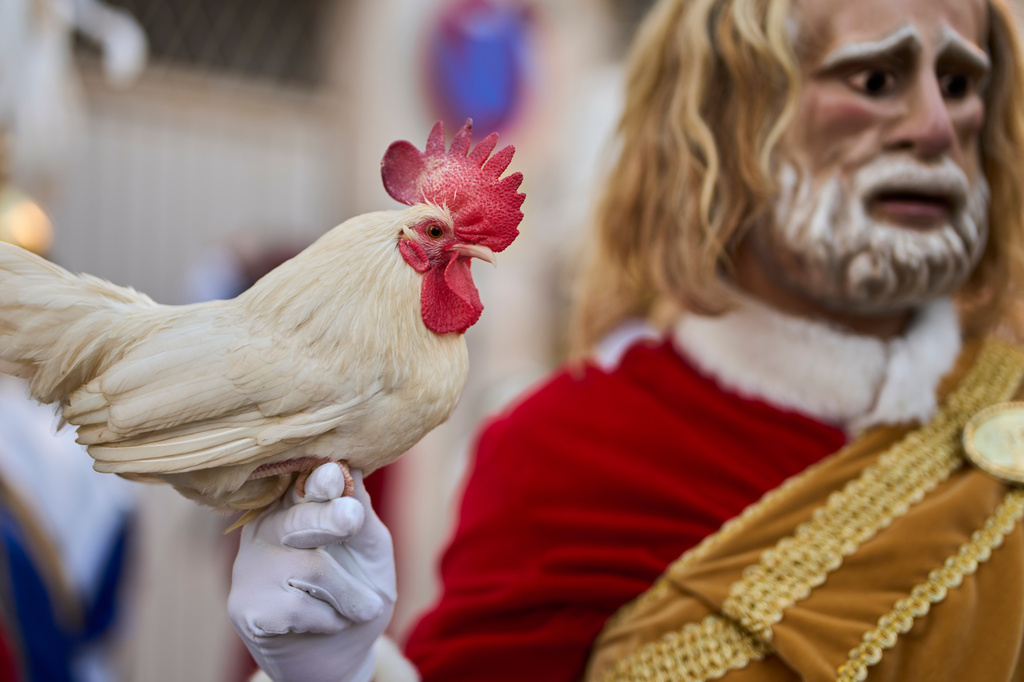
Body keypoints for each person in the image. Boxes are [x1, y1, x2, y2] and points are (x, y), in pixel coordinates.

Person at [227, 0, 1024, 679]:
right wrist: (347, 669)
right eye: (876, 80)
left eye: (959, 84)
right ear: (735, 117)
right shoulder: (566, 451)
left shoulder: (1008, 400)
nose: (935, 128)